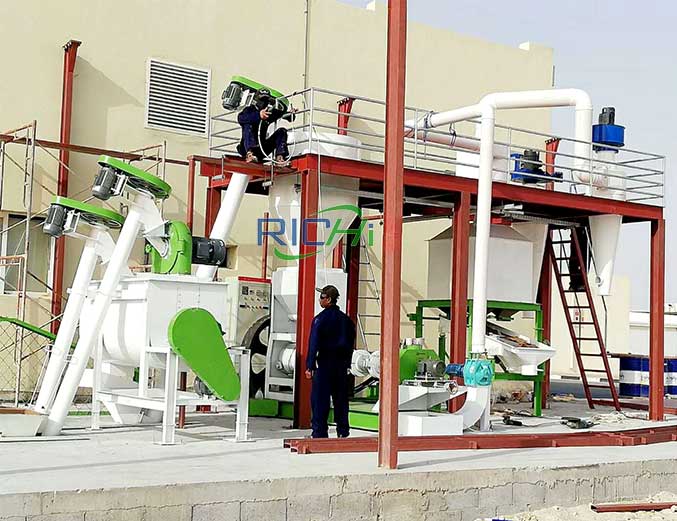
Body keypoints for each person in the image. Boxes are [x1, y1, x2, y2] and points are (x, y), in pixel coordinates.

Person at [305, 285, 356, 439]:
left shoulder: (319, 320)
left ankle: (319, 433)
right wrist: (347, 364)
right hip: (341, 366)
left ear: (328, 299)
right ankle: (343, 431)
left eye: (321, 297)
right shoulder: (347, 321)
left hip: (325, 364)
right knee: (341, 399)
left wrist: (310, 365)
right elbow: (351, 343)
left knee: (320, 400)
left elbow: (313, 344)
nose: (319, 300)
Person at [237, 88, 294, 165]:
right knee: (248, 125)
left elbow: (282, 115)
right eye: (262, 100)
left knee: (282, 131)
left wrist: (291, 114)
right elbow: (241, 118)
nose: (264, 103)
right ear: (256, 100)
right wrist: (258, 115)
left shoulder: (268, 113)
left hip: (261, 149)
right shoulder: (249, 110)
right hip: (246, 148)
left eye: (266, 100)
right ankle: (250, 154)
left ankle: (280, 157)